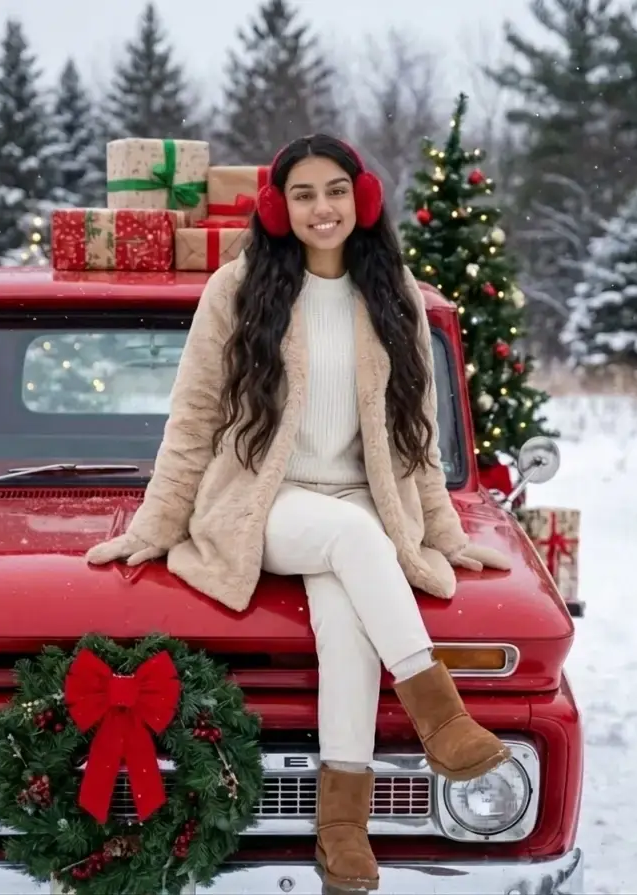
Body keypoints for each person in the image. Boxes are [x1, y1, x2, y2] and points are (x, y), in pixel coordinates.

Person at [85, 133, 513, 891]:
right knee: (354, 539)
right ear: (281, 207)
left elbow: (416, 432)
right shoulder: (237, 289)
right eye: (306, 193)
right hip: (262, 501)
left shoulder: (394, 292)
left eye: (336, 191)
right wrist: (152, 528)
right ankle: (441, 718)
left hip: (360, 503)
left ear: (363, 199)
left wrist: (445, 532)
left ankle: (341, 830)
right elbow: (190, 420)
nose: (324, 207)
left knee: (347, 627)